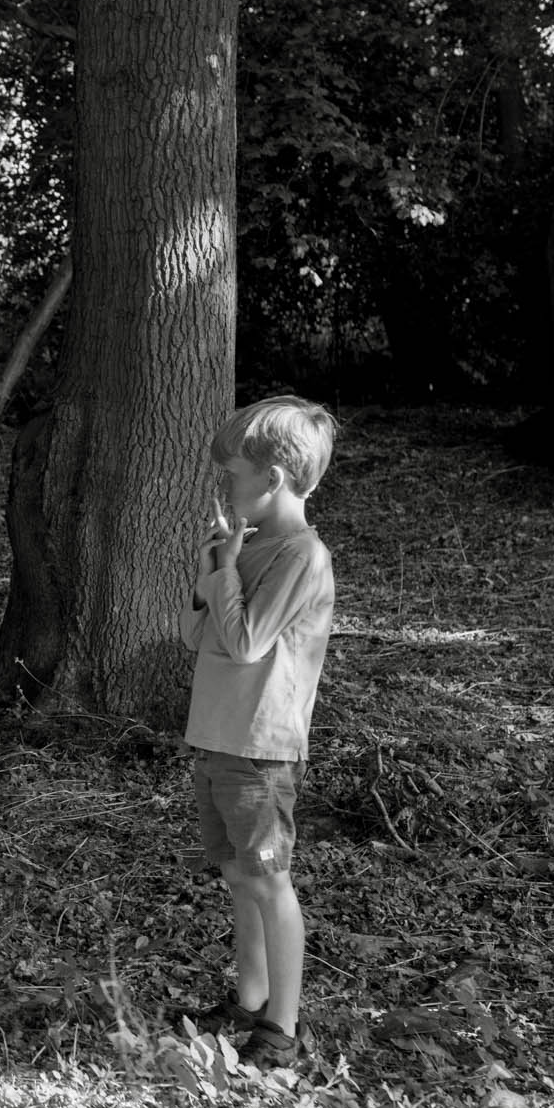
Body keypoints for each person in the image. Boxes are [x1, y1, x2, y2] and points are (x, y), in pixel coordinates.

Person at [178, 395, 338, 1068]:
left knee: (269, 881)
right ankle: (248, 999)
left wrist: (223, 576)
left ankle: (282, 1023)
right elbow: (193, 634)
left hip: (261, 750)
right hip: (218, 738)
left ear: (273, 478)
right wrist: (213, 570)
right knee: (239, 878)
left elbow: (245, 642)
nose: (225, 487)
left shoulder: (302, 554)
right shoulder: (250, 548)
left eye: (234, 474)